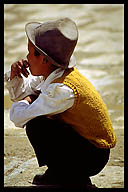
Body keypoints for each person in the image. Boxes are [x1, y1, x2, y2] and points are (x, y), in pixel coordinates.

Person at [4, 17, 117, 188]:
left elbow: (19, 117)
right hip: (86, 147)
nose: (26, 56)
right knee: (39, 117)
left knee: (37, 125)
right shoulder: (55, 74)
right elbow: (25, 93)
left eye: (30, 51)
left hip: (94, 155)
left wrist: (29, 99)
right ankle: (61, 173)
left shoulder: (63, 89)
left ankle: (71, 176)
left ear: (44, 60)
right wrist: (16, 77)